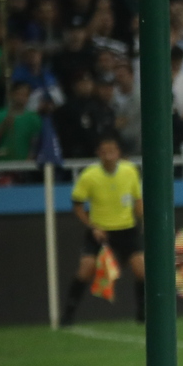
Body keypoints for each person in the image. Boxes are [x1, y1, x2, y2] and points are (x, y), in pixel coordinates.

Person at [66, 135, 145, 324]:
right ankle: (68, 314)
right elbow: (77, 205)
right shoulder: (89, 175)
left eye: (112, 151)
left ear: (118, 153)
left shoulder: (130, 171)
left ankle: (143, 313)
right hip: (100, 231)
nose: (109, 155)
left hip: (126, 229)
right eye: (104, 152)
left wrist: (143, 219)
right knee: (86, 269)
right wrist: (92, 226)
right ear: (98, 154)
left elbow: (138, 199)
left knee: (141, 269)